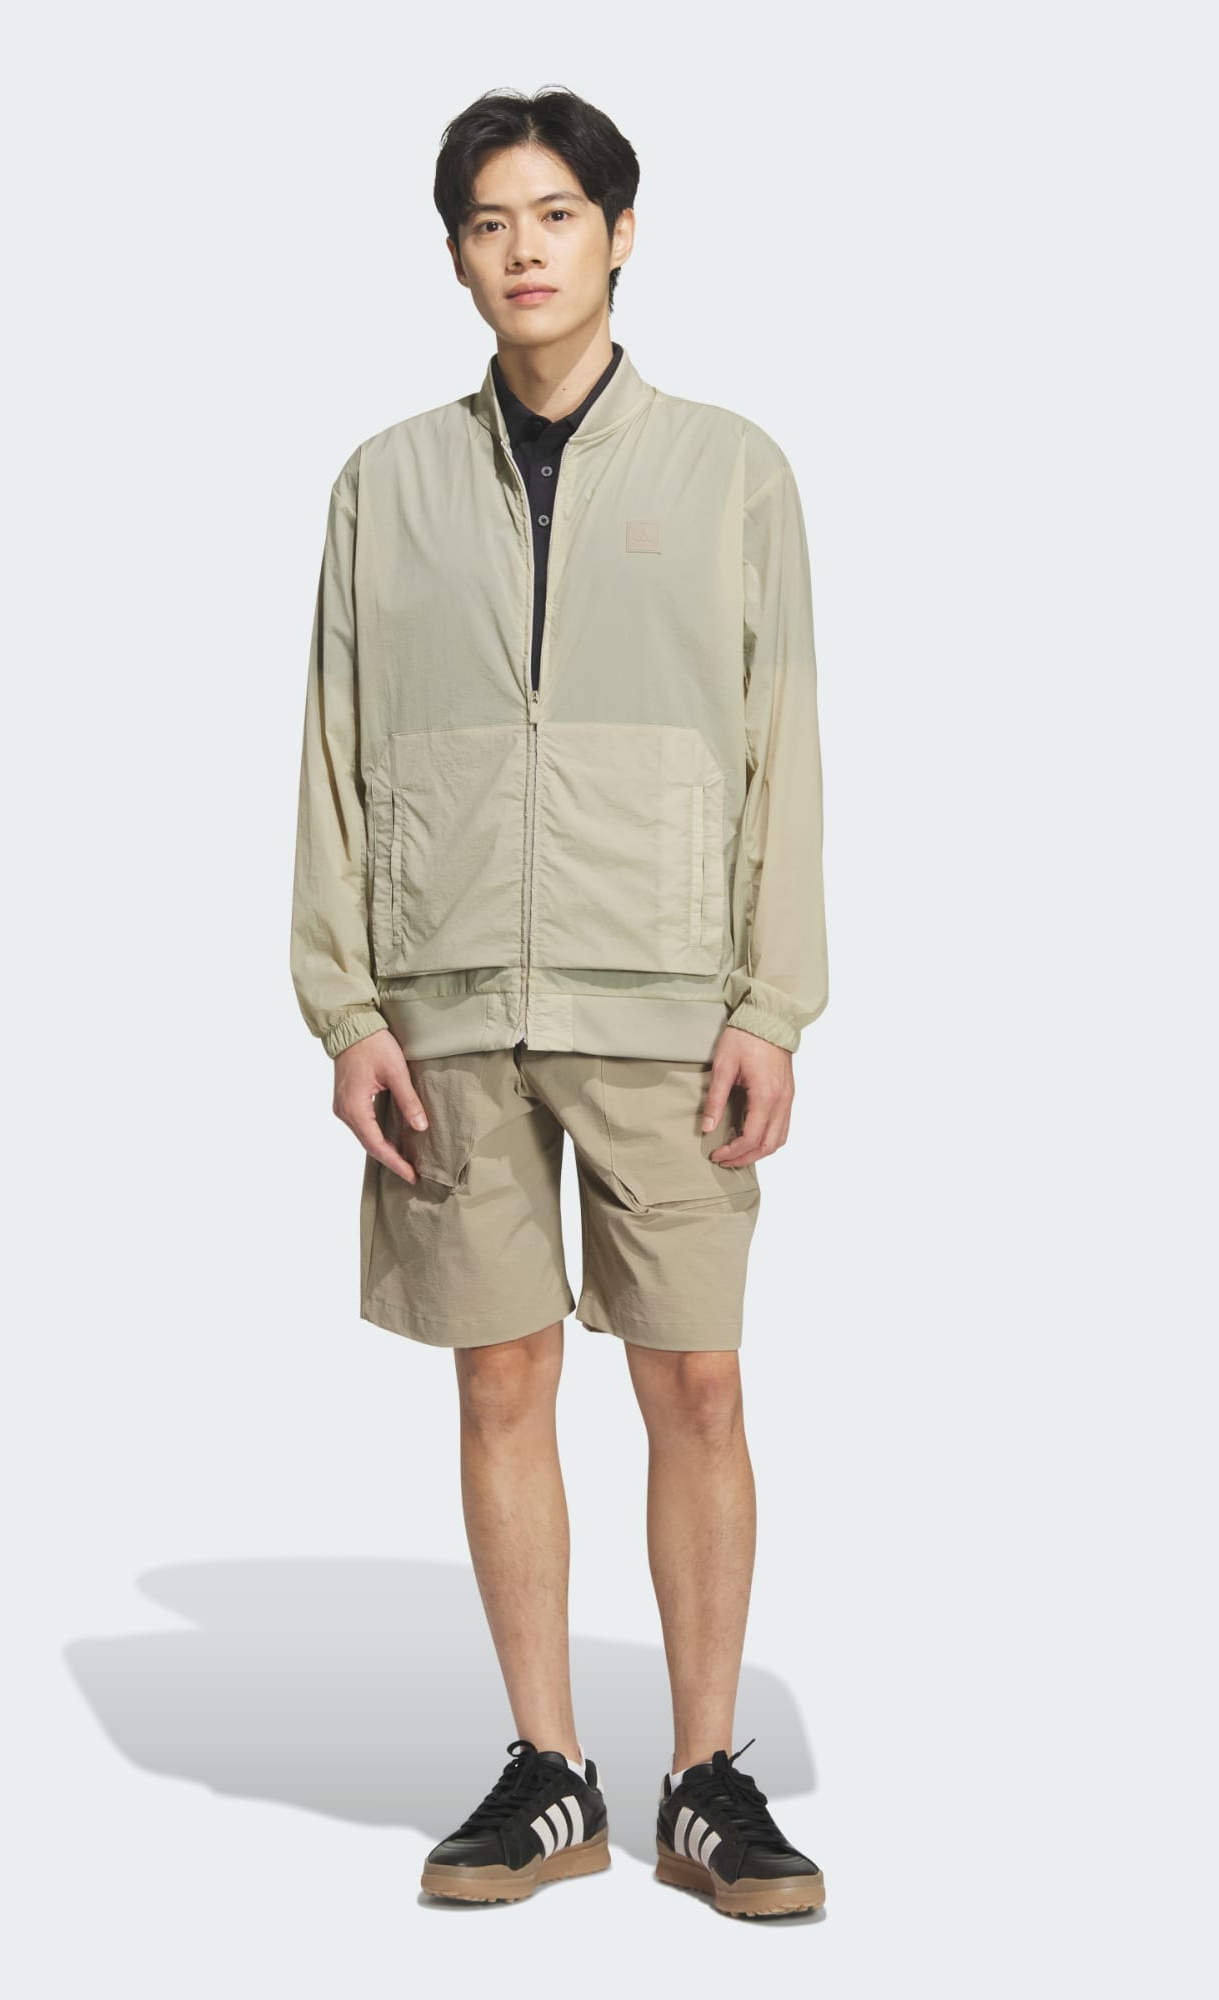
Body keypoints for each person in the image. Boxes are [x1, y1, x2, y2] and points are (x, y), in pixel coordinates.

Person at [288, 86, 830, 1919]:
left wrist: (774, 1002)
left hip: (668, 998)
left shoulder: (733, 471)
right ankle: (549, 1772)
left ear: (619, 235)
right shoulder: (384, 482)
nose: (522, 249)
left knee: (697, 1381)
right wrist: (345, 1006)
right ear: (455, 253)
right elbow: (334, 748)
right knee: (500, 1378)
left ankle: (708, 1778)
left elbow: (783, 746)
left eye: (556, 214)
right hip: (446, 999)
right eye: (488, 221)